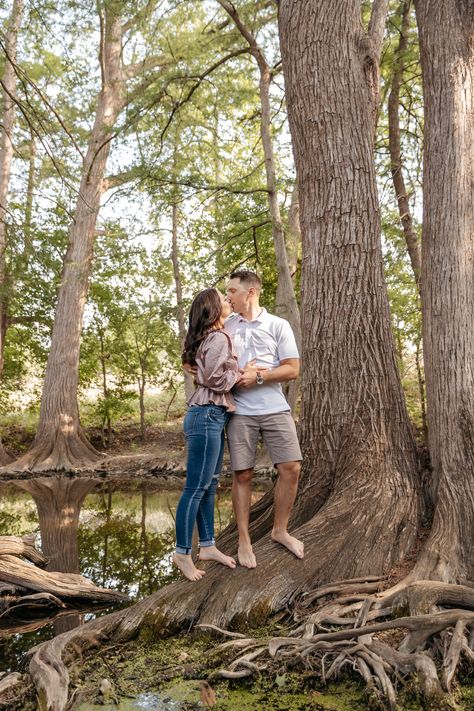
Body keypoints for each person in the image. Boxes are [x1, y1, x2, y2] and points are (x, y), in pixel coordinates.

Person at [225, 270, 303, 568]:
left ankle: (280, 530)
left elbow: (292, 368)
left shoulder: (277, 325)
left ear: (251, 292)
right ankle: (244, 540)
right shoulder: (227, 326)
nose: (228, 297)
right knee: (242, 475)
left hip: (274, 407)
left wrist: (258, 375)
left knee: (291, 467)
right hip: (239, 411)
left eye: (232, 291)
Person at [173, 287, 249, 582]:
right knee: (195, 487)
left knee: (209, 484)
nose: (228, 300)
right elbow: (215, 378)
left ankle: (207, 546)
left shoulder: (210, 337)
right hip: (206, 415)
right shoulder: (217, 337)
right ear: (213, 310)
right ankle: (182, 552)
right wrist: (240, 374)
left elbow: (202, 372)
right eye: (223, 298)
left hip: (210, 415)